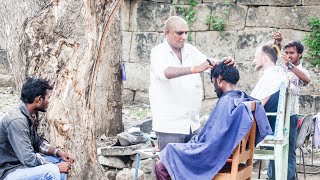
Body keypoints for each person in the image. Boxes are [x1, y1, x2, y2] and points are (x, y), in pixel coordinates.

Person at [155, 62, 272, 180]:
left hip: (216, 160)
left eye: (213, 82)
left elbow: (211, 146)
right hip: (225, 156)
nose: (214, 87)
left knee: (162, 164)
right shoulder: (241, 98)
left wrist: (179, 148)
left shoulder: (226, 102)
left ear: (219, 79)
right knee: (172, 153)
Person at [149, 16, 234, 151]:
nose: (183, 37)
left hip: (192, 123)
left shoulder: (190, 50)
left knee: (192, 167)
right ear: (166, 33)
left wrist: (224, 62)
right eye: (179, 33)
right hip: (170, 124)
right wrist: (195, 69)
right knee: (171, 168)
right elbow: (165, 73)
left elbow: (208, 64)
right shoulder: (158, 52)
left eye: (186, 33)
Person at [0, 78, 75, 180]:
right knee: (52, 171)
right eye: (48, 98)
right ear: (39, 99)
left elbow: (38, 143)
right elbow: (29, 159)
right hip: (10, 172)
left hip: (22, 167)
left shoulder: (27, 115)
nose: (49, 101)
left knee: (59, 162)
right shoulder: (17, 120)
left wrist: (59, 152)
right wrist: (56, 167)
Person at [273, 32, 311, 180]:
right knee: (275, 146)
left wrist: (289, 65)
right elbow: (275, 51)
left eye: (292, 53)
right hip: (278, 113)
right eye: (287, 53)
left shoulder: (301, 70)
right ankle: (273, 176)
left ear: (300, 55)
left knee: (289, 150)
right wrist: (277, 42)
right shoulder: (282, 66)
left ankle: (289, 178)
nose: (289, 55)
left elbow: (307, 79)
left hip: (291, 115)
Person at [250, 42, 288, 180]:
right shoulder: (280, 73)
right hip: (275, 125)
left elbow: (256, 105)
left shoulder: (270, 76)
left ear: (265, 58)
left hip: (266, 128)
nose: (254, 60)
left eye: (256, 57)